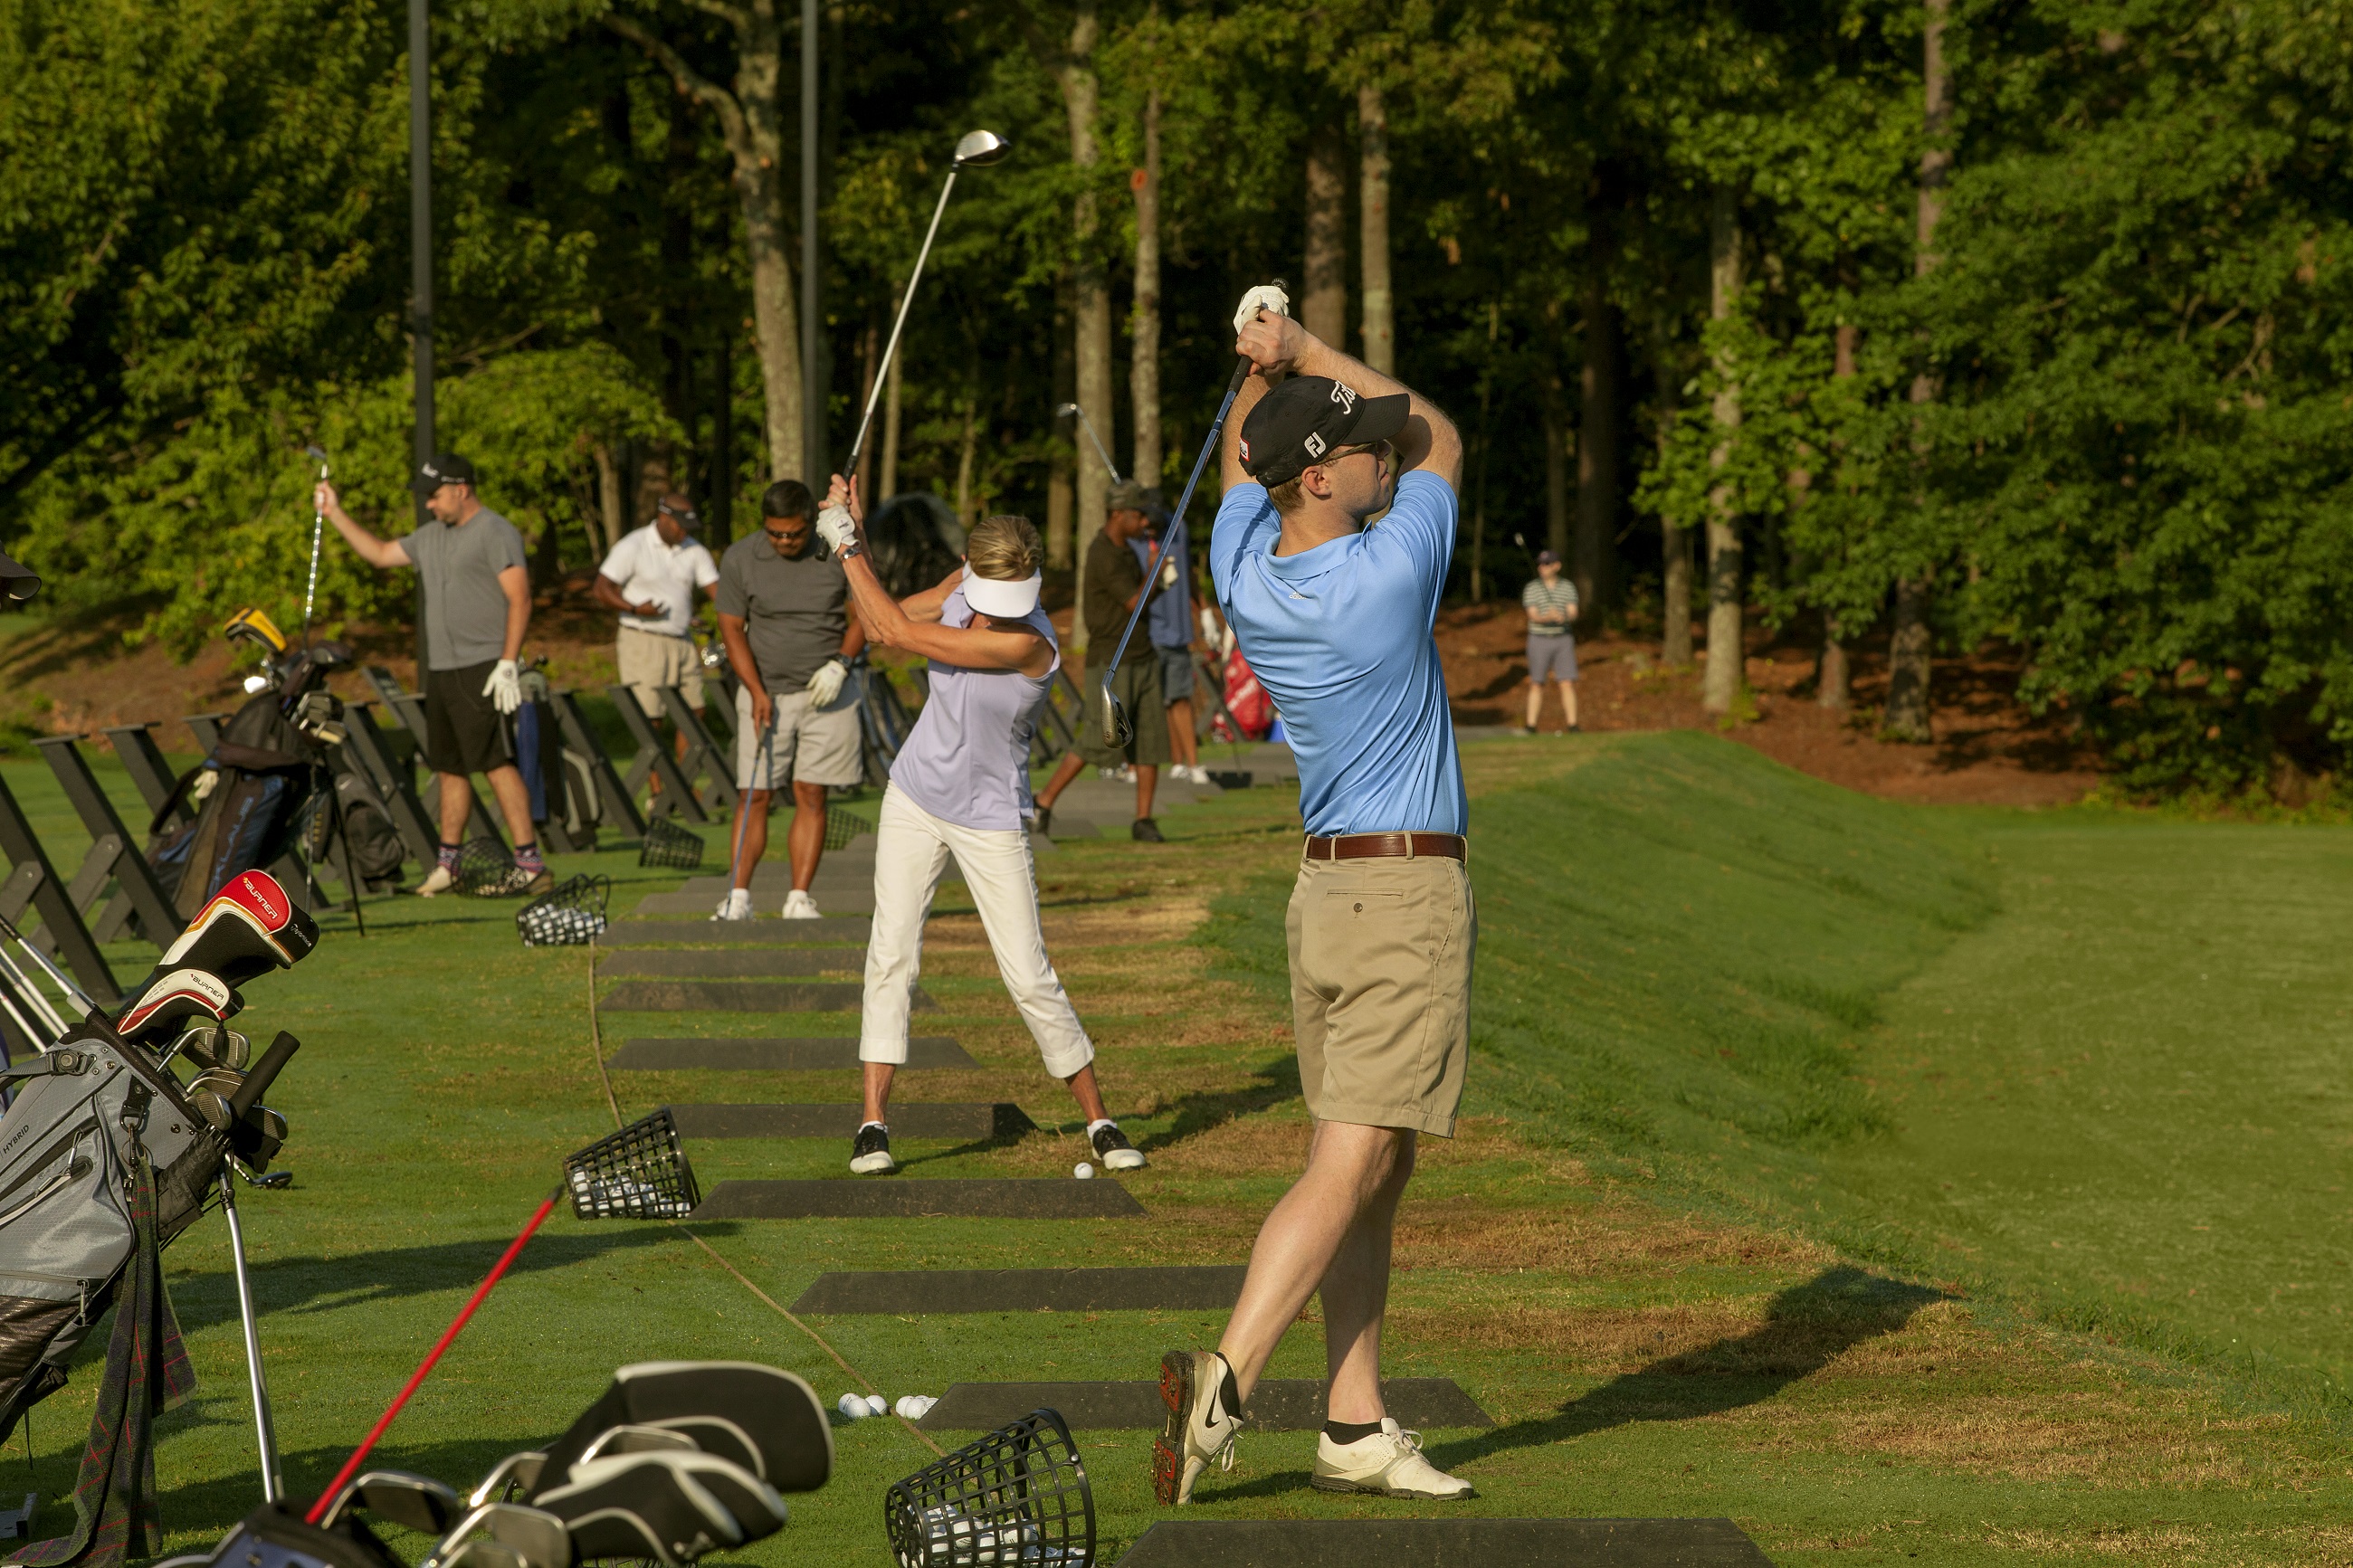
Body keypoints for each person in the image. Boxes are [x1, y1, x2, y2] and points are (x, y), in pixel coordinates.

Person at [1155, 290, 1475, 1506]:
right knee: (1351, 1160)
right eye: (1357, 445)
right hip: (1402, 895)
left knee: (1374, 1164)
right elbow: (1445, 435)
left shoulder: (1246, 563)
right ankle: (1225, 1386)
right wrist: (1297, 350)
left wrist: (1257, 364)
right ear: (1323, 479)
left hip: (1327, 898)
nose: (1380, 451)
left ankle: (1352, 1421)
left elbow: (1248, 456)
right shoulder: (1387, 574)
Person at [814, 478, 1147, 1179]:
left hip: (992, 815)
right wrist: (852, 532)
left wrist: (844, 542)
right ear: (972, 569)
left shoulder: (1031, 645)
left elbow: (898, 633)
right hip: (914, 796)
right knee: (891, 954)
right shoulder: (961, 583)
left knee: (1027, 972)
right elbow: (882, 618)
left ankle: (1100, 1118)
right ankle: (872, 1124)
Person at [317, 454, 550, 897]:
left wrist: (507, 661)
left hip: (484, 666)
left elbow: (519, 599)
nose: (429, 505)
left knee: (495, 763)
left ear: (461, 489)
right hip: (443, 669)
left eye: (435, 495)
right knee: (449, 767)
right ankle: (449, 863)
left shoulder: (496, 532)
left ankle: (529, 863)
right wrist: (335, 513)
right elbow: (382, 555)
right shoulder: (431, 537)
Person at [712, 480, 868, 920]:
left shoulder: (837, 551)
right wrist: (756, 690)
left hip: (827, 691)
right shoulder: (742, 557)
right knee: (754, 793)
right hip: (766, 692)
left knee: (812, 793)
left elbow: (865, 614)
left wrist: (841, 664)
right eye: (774, 533)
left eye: (794, 534)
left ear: (810, 524)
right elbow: (730, 628)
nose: (783, 541)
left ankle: (799, 898)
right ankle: (737, 897)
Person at [1030, 485, 1171, 841]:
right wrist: (1154, 573)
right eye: (1137, 515)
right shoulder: (1103, 554)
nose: (1143, 522)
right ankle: (1042, 803)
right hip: (1111, 661)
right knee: (1099, 736)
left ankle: (1143, 820)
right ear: (1116, 514)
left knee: (1150, 738)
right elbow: (1133, 603)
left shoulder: (1126, 551)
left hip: (1142, 654)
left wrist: (1153, 576)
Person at [595, 492, 721, 781]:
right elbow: (601, 589)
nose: (685, 532)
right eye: (680, 525)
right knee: (650, 717)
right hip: (643, 639)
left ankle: (684, 782)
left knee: (694, 711)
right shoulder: (634, 545)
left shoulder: (693, 550)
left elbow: (719, 593)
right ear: (663, 518)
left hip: (682, 640)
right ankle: (657, 789)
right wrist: (634, 608)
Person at [1131, 490, 1210, 784]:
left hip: (1176, 631)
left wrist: (1203, 610)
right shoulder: (1133, 536)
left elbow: (1187, 571)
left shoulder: (1179, 528)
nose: (1149, 529)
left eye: (1153, 523)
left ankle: (1189, 764)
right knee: (1149, 702)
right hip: (1147, 632)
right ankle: (1145, 765)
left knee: (1179, 698)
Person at [1519, 549, 1579, 734]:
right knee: (1536, 683)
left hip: (1563, 639)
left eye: (1546, 564)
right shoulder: (1532, 588)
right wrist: (1547, 617)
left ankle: (1573, 725)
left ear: (1556, 566)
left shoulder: (1567, 587)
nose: (1542, 567)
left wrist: (1564, 616)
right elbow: (1533, 615)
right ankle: (1531, 725)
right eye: (1540, 564)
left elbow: (1573, 611)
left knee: (1566, 682)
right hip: (1539, 639)